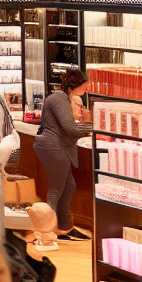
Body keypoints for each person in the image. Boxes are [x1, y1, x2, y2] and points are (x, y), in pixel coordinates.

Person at [36, 66, 91, 240]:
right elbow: (70, 127)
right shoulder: (59, 99)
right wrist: (90, 125)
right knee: (56, 189)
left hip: (55, 146)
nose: (86, 88)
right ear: (75, 84)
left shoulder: (60, 98)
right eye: (84, 84)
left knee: (68, 186)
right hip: (54, 147)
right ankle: (47, 230)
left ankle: (64, 227)